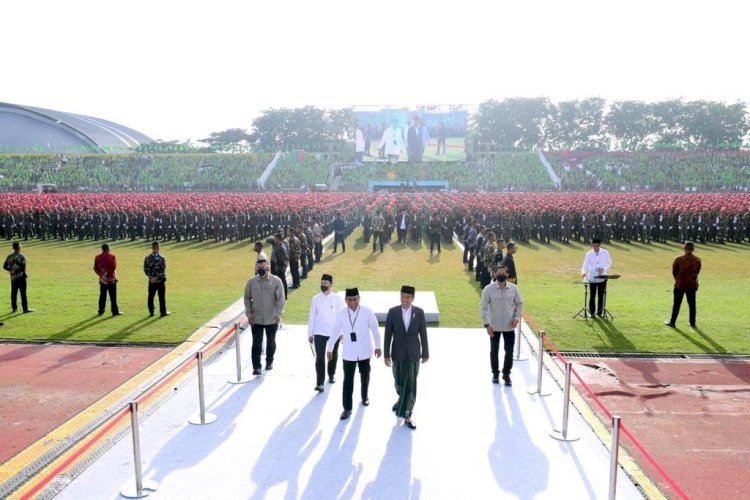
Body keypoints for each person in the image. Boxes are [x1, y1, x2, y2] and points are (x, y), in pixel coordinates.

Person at [327, 288, 382, 420]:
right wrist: (329, 348)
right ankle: (347, 408)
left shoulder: (367, 311)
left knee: (365, 375)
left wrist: (378, 346)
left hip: (364, 350)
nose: (352, 302)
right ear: (346, 300)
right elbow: (335, 331)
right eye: (349, 300)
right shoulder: (341, 314)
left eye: (355, 299)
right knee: (347, 381)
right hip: (349, 352)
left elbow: (375, 329)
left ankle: (364, 396)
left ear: (359, 299)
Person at [384, 285, 429, 430]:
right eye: (402, 296)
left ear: (413, 298)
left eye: (408, 297)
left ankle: (407, 413)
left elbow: (423, 333)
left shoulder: (419, 313)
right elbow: (387, 335)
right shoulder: (392, 312)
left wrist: (426, 352)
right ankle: (401, 400)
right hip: (397, 353)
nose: (405, 299)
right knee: (398, 381)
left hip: (414, 353)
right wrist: (386, 354)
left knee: (411, 383)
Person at [480, 265, 524, 386]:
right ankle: (495, 374)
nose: (501, 275)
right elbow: (483, 308)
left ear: (507, 274)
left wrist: (516, 319)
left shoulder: (514, 289)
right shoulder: (488, 289)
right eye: (499, 273)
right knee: (494, 351)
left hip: (509, 326)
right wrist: (486, 325)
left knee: (509, 351)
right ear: (495, 274)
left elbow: (519, 304)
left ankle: (506, 374)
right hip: (494, 327)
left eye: (503, 273)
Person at [245, 252, 285, 375]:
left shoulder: (276, 281)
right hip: (256, 318)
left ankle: (269, 362)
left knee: (271, 341)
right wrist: (249, 313)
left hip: (271, 317)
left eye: (264, 266)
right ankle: (256, 367)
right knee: (256, 343)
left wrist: (278, 314)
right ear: (256, 267)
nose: (261, 268)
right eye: (259, 266)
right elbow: (247, 298)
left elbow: (281, 299)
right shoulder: (251, 282)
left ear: (267, 266)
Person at [308, 273, 345, 392]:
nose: (323, 285)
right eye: (321, 283)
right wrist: (310, 333)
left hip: (334, 332)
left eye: (325, 283)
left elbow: (343, 317)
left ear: (331, 285)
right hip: (319, 331)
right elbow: (312, 316)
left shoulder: (337, 299)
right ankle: (319, 383)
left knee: (332, 356)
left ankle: (331, 374)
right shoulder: (315, 299)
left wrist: (342, 333)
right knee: (319, 357)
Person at [665, 241, 701, 328]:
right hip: (692, 284)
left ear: (684, 248)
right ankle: (692, 322)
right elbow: (697, 271)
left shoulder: (679, 259)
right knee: (692, 304)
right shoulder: (697, 260)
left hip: (680, 284)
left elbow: (674, 272)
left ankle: (672, 321)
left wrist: (678, 279)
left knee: (677, 303)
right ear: (693, 249)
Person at [580, 238, 612, 318]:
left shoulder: (605, 252)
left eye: (597, 246)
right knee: (592, 295)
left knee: (601, 295)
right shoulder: (588, 254)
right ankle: (591, 312)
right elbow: (585, 265)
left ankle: (600, 313)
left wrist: (604, 269)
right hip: (592, 277)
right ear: (592, 245)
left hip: (602, 277)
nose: (595, 248)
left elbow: (609, 262)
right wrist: (584, 272)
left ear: (600, 245)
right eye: (594, 246)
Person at [3, 242, 32, 313]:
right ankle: (25, 309)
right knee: (23, 293)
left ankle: (14, 308)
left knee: (14, 293)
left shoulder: (9, 256)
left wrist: (11, 270)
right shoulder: (22, 257)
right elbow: (23, 268)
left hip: (13, 277)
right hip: (21, 277)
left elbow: (4, 266)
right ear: (18, 247)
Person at [94, 243, 121, 316]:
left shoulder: (97, 257)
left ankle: (101, 310)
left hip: (102, 280)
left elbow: (95, 268)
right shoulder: (112, 257)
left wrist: (101, 275)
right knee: (113, 296)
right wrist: (106, 274)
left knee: (102, 295)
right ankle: (114, 311)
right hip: (111, 279)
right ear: (108, 249)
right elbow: (113, 268)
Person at [144, 241, 169, 317]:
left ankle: (151, 311)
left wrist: (151, 277)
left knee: (151, 296)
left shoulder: (148, 258)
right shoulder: (162, 258)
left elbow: (146, 269)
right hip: (160, 280)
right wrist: (157, 277)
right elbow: (162, 269)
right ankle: (163, 312)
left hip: (152, 281)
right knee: (161, 297)